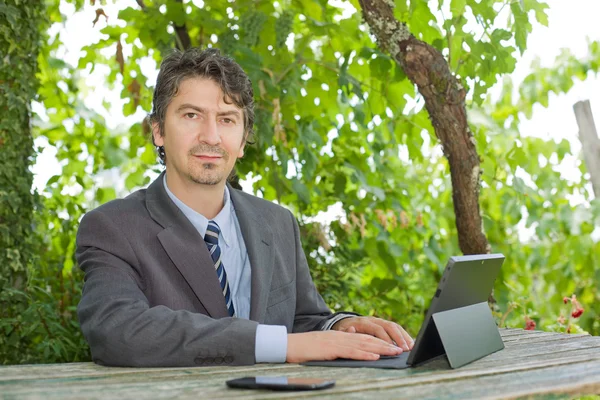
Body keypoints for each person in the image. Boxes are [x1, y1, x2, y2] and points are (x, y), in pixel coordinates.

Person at [76, 47, 414, 367]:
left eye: (226, 119)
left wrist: (340, 327)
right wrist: (281, 346)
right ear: (159, 131)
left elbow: (302, 320)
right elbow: (118, 330)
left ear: (242, 139)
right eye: (192, 115)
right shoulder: (112, 227)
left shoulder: (277, 223)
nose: (210, 136)